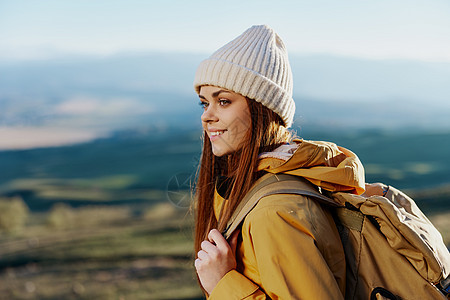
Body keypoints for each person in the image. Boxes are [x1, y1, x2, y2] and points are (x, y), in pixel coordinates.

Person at [192, 25, 368, 299]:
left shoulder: (275, 211)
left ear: (263, 109)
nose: (207, 116)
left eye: (223, 101)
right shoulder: (253, 190)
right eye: (205, 103)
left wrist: (223, 285)